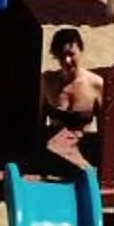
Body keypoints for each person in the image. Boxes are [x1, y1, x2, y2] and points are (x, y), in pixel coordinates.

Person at [41, 26, 103, 167]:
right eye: (62, 56)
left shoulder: (96, 85)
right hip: (54, 152)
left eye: (71, 54)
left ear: (81, 51)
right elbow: (39, 122)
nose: (67, 60)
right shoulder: (47, 81)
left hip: (82, 152)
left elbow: (104, 130)